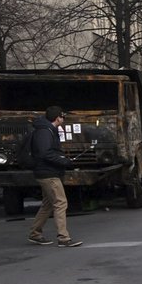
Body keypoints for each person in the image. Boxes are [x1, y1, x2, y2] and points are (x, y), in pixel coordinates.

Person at [27, 106, 82, 248]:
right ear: (58, 118)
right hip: (48, 173)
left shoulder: (46, 130)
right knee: (61, 202)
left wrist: (62, 159)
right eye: (63, 117)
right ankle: (63, 238)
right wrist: (64, 161)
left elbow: (48, 152)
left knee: (48, 204)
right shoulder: (45, 132)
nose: (63, 120)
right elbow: (46, 153)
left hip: (46, 171)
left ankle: (35, 234)